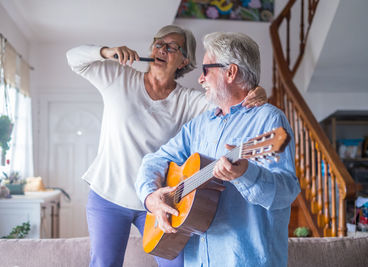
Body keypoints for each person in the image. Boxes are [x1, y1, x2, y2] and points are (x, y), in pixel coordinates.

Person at [66, 25, 267, 267]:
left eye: (172, 47)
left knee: (177, 265)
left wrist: (256, 91)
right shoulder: (118, 77)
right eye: (158, 43)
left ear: (184, 61)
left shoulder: (188, 100)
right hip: (108, 196)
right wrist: (106, 51)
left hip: (159, 198)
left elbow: (230, 100)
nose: (161, 49)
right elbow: (73, 58)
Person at [136, 32, 301, 267]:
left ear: (230, 72)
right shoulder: (199, 125)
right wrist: (150, 197)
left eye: (205, 71)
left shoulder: (269, 119)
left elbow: (286, 191)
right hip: (198, 261)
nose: (200, 80)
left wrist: (246, 174)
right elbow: (154, 160)